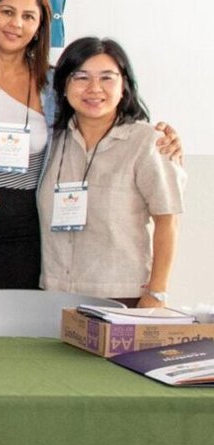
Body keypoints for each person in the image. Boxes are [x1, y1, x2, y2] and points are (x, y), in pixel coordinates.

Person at [0, 0, 182, 292]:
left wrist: (167, 138)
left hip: (32, 234)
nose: (16, 23)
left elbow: (100, 114)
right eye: (7, 12)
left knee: (25, 319)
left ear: (39, 27)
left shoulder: (54, 84)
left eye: (28, 16)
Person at [38, 38, 183, 305]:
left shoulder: (147, 142)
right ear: (64, 86)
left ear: (124, 86)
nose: (94, 88)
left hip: (123, 296)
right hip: (55, 294)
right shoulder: (50, 142)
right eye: (81, 77)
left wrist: (156, 293)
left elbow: (168, 221)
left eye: (107, 78)